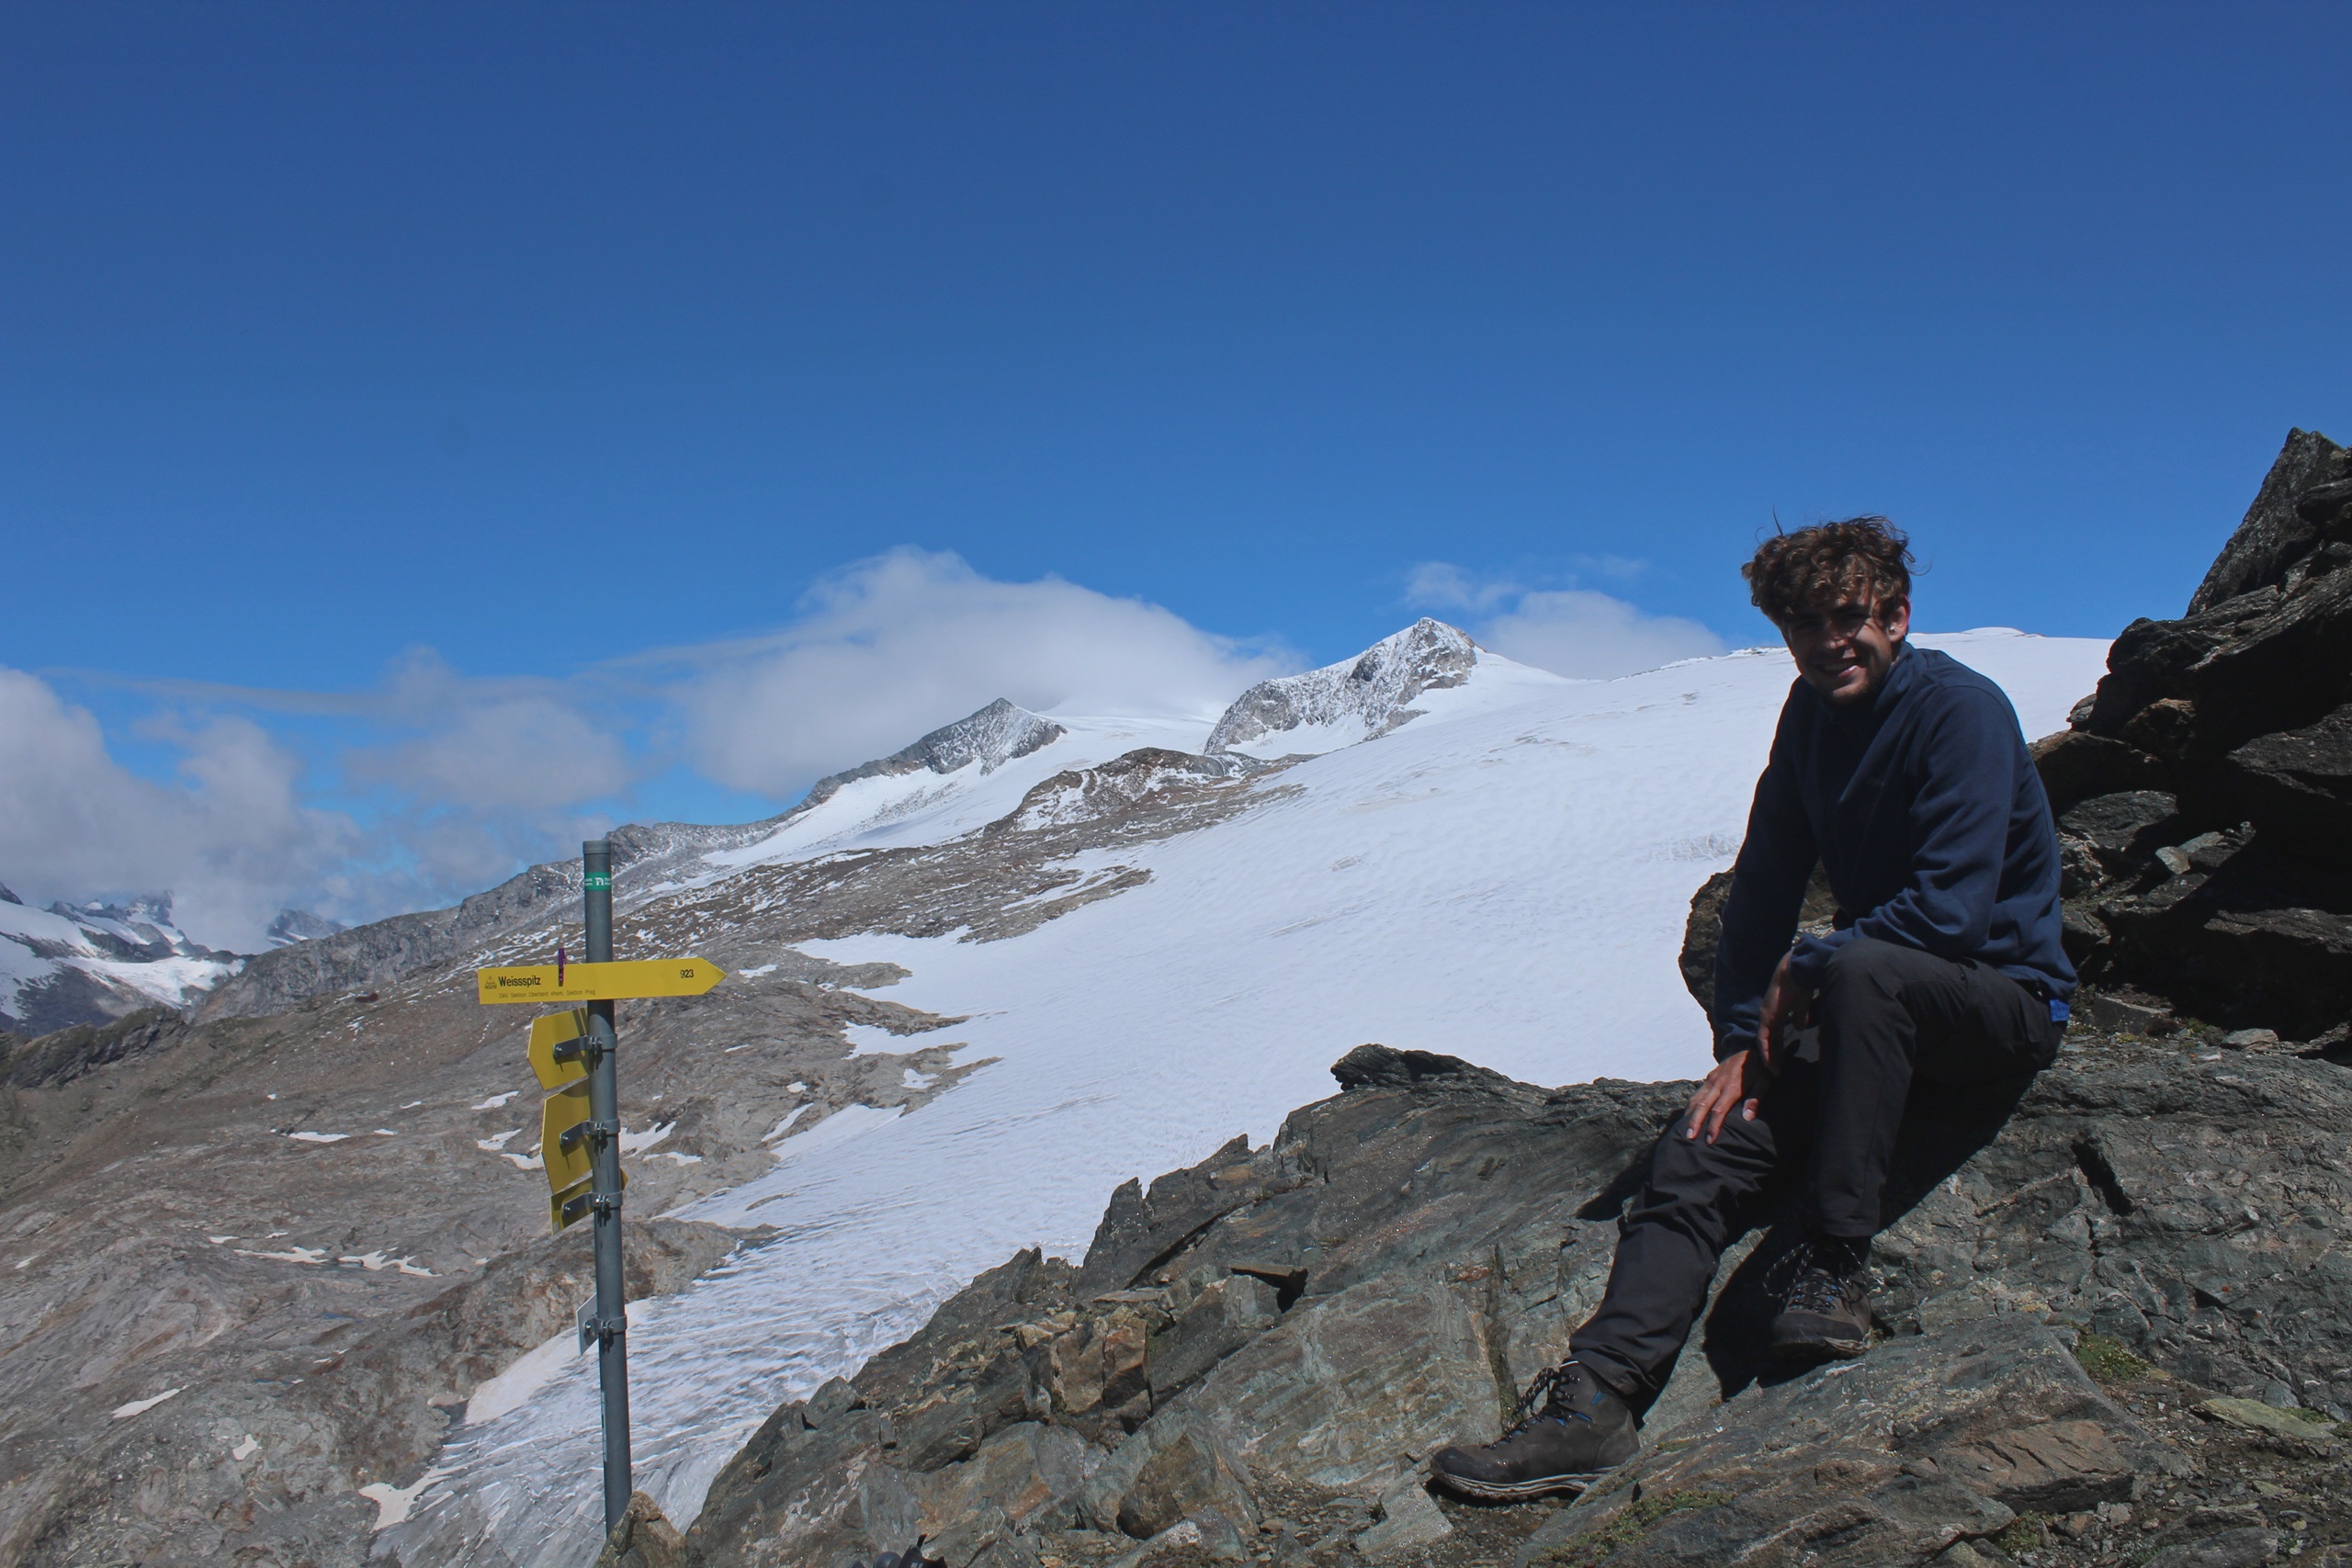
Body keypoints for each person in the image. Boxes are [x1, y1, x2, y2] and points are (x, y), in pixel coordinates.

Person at [1429, 517, 2075, 1502]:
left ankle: (1829, 1265)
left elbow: (1951, 912)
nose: (1828, 643)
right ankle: (1594, 1406)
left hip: (1996, 1003)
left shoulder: (1960, 713)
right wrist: (1741, 1047)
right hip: (1873, 1011)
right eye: (1803, 625)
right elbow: (1764, 886)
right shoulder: (1809, 718)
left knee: (1864, 974)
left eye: (1849, 617)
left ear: (1896, 616)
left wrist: (1812, 963)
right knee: (1700, 1142)